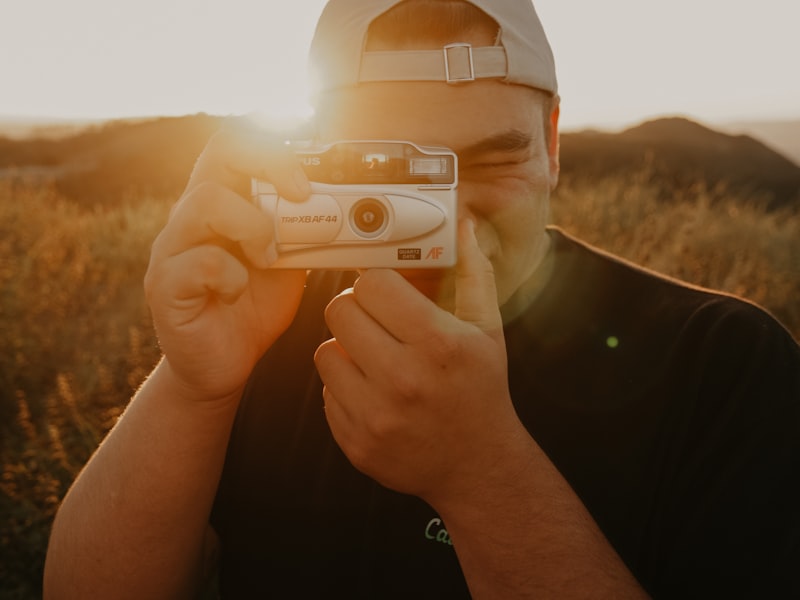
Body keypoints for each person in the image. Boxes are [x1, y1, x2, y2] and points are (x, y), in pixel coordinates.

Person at [44, 0, 800, 598]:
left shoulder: (723, 363)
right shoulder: (268, 327)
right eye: (395, 172)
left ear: (553, 143)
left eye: (493, 160)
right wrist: (194, 385)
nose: (448, 218)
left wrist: (480, 475)